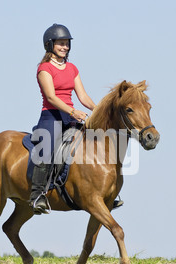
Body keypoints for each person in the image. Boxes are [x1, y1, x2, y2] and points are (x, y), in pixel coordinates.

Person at [29, 24, 123, 214]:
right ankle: (37, 194)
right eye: (60, 44)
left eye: (66, 44)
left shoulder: (72, 68)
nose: (64, 47)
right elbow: (51, 97)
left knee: (96, 142)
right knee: (47, 148)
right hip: (51, 116)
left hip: (70, 117)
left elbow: (83, 96)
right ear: (50, 45)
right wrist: (73, 112)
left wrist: (99, 110)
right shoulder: (44, 68)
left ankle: (105, 190)